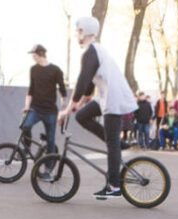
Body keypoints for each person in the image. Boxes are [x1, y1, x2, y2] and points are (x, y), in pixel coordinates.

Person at [60, 16, 138, 199]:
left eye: (78, 31)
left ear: (84, 32)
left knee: (112, 144)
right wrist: (79, 104)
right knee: (82, 116)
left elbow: (82, 82)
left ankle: (114, 186)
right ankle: (118, 144)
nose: (76, 35)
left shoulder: (92, 51)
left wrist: (68, 108)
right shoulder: (94, 51)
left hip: (113, 99)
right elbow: (88, 86)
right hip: (105, 97)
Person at [21, 44, 66, 169]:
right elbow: (31, 89)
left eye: (34, 55)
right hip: (35, 108)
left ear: (40, 54)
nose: (32, 57)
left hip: (50, 111)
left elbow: (62, 90)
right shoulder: (33, 69)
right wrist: (27, 106)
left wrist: (63, 111)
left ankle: (48, 169)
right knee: (25, 126)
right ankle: (27, 147)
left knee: (50, 140)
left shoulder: (56, 70)